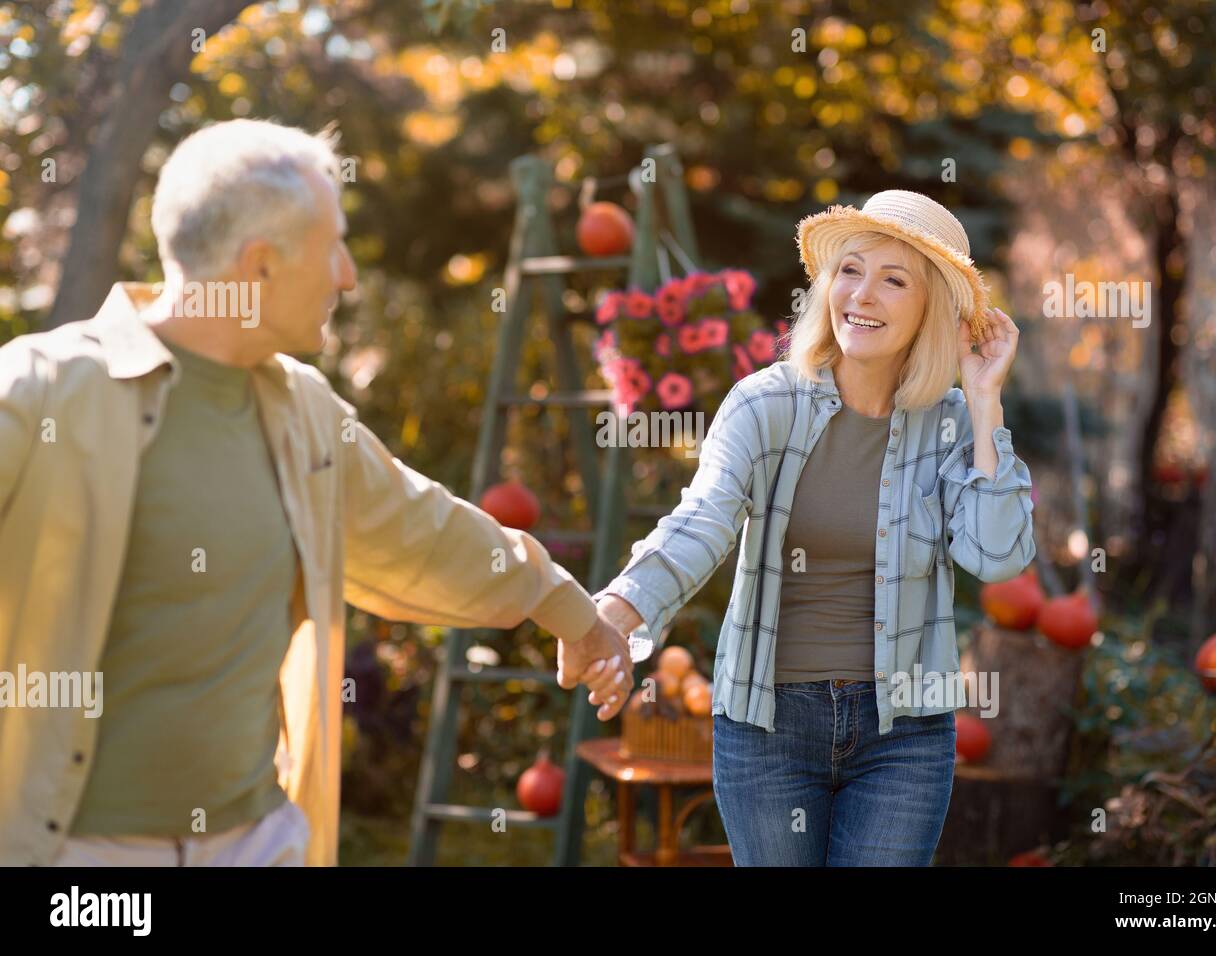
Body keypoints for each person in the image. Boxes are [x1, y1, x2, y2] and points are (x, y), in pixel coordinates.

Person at [0, 118, 632, 867]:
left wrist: (569, 607)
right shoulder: (40, 393)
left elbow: (422, 532)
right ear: (260, 265)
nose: (347, 275)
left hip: (257, 843)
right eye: (333, 245)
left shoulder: (302, 412)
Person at [590, 190, 1036, 865]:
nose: (863, 295)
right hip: (768, 726)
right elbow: (703, 518)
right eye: (851, 271)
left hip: (905, 733)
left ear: (931, 310)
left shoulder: (950, 424)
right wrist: (619, 610)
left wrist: (984, 403)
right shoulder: (765, 405)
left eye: (894, 280)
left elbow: (997, 555)